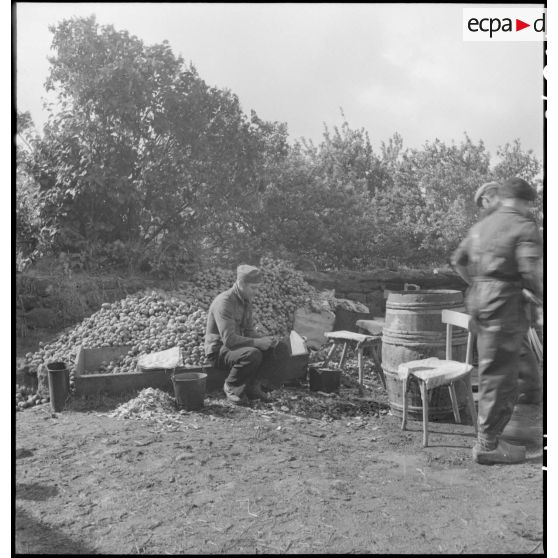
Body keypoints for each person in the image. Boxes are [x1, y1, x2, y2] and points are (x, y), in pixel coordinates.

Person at [452, 177, 542, 465]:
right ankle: (489, 445)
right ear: (524, 202)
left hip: (480, 300)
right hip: (504, 303)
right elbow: (531, 270)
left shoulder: (481, 226)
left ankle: (503, 434)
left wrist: (479, 283)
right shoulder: (523, 225)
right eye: (529, 204)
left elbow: (459, 260)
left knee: (497, 368)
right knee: (500, 375)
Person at [471, 181, 542, 404]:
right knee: (502, 354)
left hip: (509, 299)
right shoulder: (486, 224)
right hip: (494, 299)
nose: (498, 200)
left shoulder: (510, 220)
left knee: (516, 348)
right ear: (485, 201)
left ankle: (527, 394)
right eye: (492, 197)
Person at [204, 265, 284, 405]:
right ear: (241, 284)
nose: (256, 292)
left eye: (258, 288)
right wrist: (258, 343)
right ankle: (231, 386)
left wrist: (266, 340)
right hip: (218, 351)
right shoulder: (225, 302)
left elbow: (248, 331)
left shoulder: (246, 301)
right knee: (252, 354)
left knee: (274, 348)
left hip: (234, 348)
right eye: (253, 288)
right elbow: (229, 340)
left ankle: (253, 386)